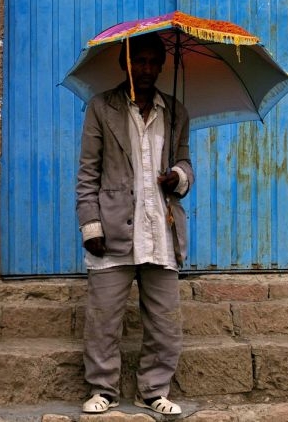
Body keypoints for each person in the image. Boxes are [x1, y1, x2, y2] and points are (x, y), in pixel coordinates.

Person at [76, 33, 193, 415]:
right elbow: (88, 173)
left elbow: (187, 164)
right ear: (124, 64)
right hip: (113, 230)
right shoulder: (101, 107)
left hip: (161, 228)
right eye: (137, 61)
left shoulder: (175, 111)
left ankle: (155, 389)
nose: (144, 69)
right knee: (104, 318)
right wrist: (90, 225)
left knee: (164, 322)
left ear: (162, 65)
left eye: (151, 62)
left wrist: (177, 175)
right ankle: (102, 389)